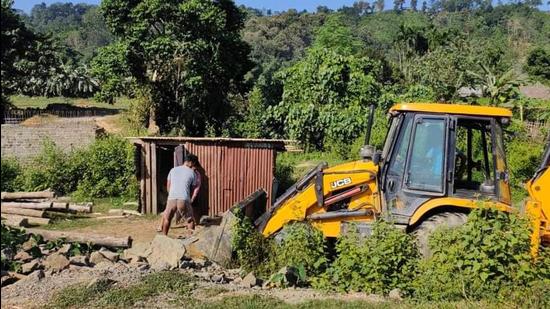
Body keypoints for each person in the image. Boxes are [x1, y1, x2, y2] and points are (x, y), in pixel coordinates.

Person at [160, 156, 197, 235]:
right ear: (190, 162)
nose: (193, 165)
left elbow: (168, 185)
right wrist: (188, 199)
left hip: (172, 198)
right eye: (193, 163)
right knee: (190, 220)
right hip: (183, 198)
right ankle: (190, 239)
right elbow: (192, 188)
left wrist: (171, 195)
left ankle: (163, 237)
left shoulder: (173, 170)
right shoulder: (192, 173)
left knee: (167, 219)